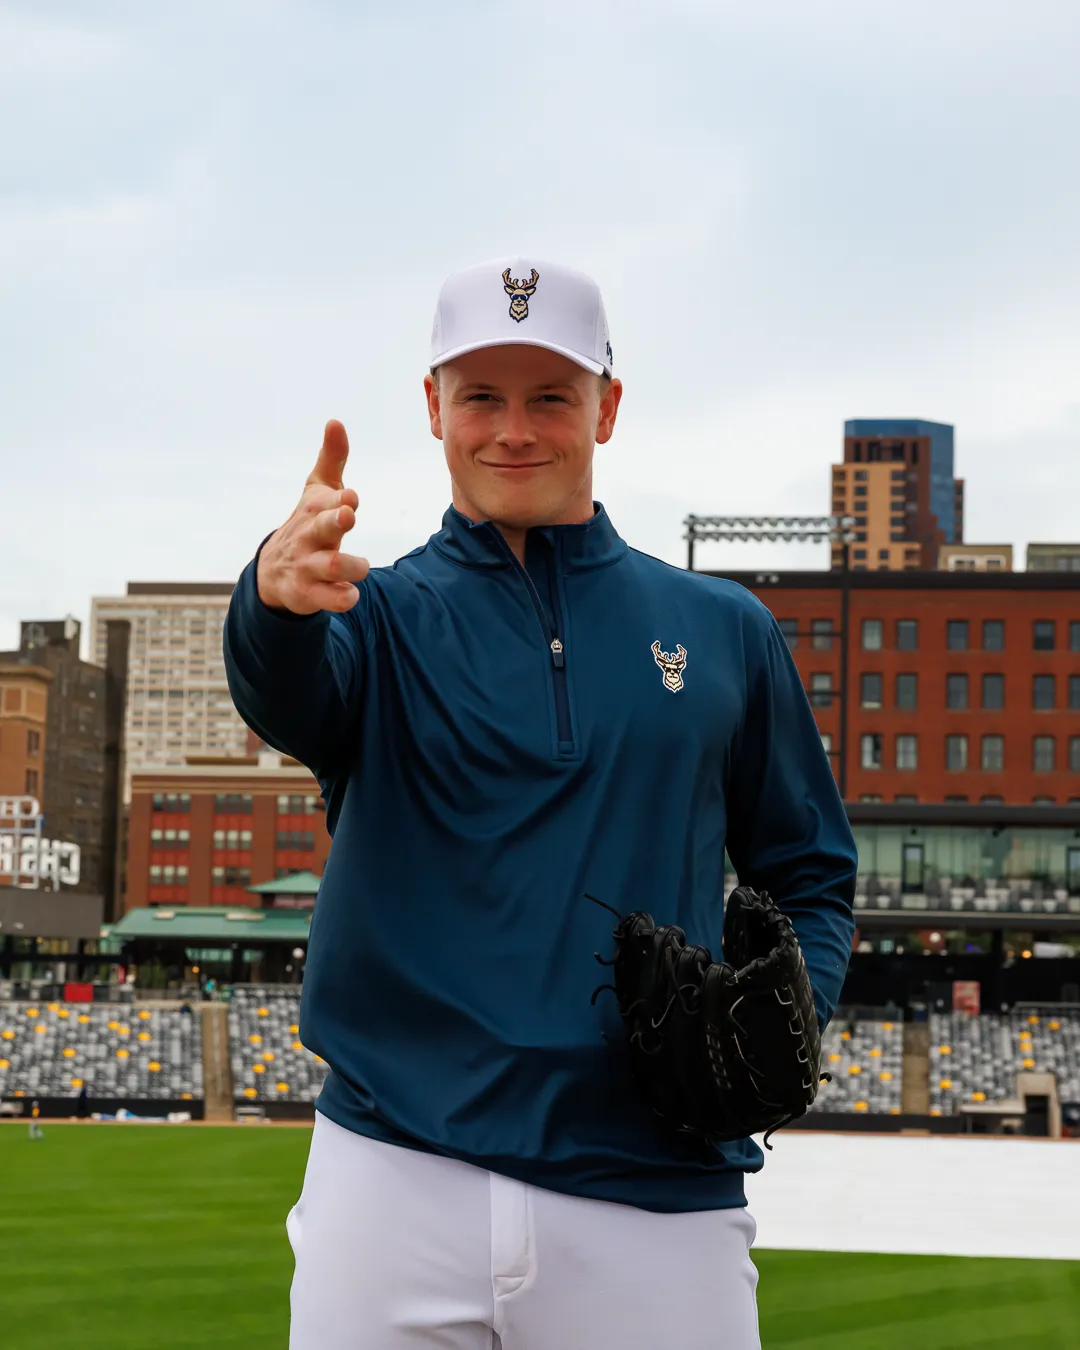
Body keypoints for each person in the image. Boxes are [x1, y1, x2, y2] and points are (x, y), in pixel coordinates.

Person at [223, 257, 858, 1349]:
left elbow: (811, 874)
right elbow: (291, 695)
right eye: (481, 395)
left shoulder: (723, 629)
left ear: (607, 407)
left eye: (551, 396)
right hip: (393, 1176)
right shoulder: (375, 616)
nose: (513, 429)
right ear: (433, 407)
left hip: (656, 1192)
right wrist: (275, 602)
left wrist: (795, 1010)